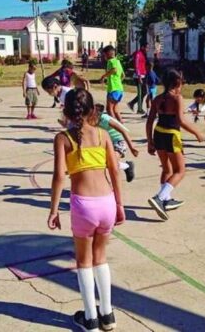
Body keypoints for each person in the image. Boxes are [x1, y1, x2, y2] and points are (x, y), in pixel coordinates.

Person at [48, 88, 124, 332]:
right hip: (107, 202)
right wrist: (120, 204)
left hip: (83, 205)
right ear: (93, 110)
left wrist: (53, 209)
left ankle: (90, 318)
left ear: (66, 110)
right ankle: (107, 314)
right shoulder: (103, 135)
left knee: (84, 260)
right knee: (101, 257)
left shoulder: (63, 138)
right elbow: (114, 171)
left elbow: (59, 176)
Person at [145, 70, 205, 221]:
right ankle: (160, 197)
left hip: (158, 133)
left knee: (167, 169)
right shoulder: (177, 98)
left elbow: (149, 121)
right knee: (180, 171)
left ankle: (165, 198)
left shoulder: (157, 98)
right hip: (171, 135)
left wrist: (150, 141)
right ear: (177, 83)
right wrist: (197, 133)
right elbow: (181, 121)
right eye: (182, 83)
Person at [95, 104, 139, 182]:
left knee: (112, 163)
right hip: (107, 143)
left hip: (118, 141)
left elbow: (123, 131)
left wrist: (132, 147)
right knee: (103, 163)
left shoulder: (106, 119)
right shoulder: (92, 120)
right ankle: (126, 166)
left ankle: (127, 167)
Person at [100, 45, 126, 124]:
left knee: (109, 109)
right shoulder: (118, 61)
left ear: (109, 53)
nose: (104, 57)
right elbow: (123, 75)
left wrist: (104, 76)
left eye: (104, 55)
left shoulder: (110, 61)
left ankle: (114, 127)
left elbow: (114, 70)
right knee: (115, 109)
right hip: (119, 89)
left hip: (113, 89)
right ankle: (121, 124)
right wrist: (118, 82)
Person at [127, 43, 148, 114]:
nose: (147, 49)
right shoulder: (138, 54)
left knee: (143, 92)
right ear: (142, 47)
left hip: (143, 75)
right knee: (142, 92)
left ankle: (135, 105)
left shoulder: (143, 54)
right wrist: (139, 76)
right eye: (146, 48)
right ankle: (137, 107)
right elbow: (136, 65)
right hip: (138, 76)